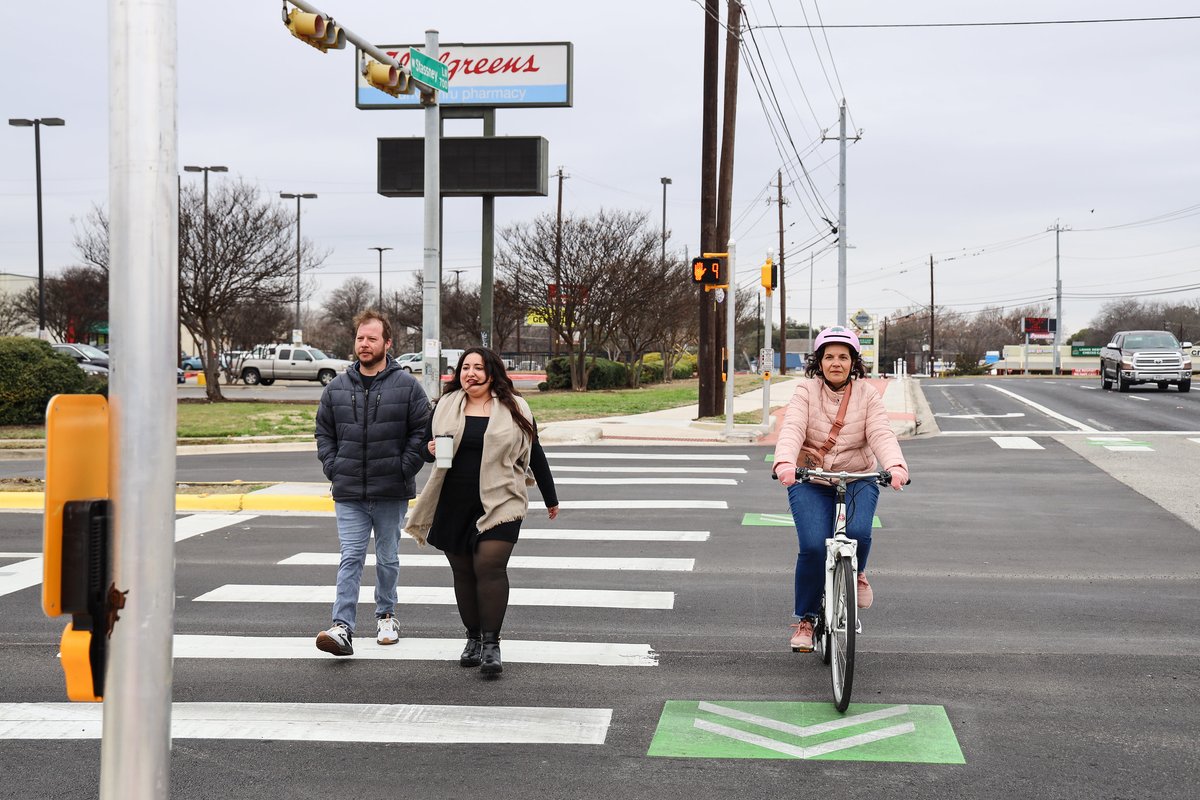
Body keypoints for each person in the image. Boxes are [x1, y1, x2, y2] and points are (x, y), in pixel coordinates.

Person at [404, 347, 559, 677]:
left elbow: (535, 451)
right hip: (453, 501)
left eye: (478, 367)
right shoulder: (445, 406)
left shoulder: (515, 408)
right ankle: (473, 639)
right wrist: (427, 449)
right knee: (463, 573)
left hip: (502, 499)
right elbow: (424, 449)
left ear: (492, 373)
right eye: (465, 367)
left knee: (489, 567)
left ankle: (491, 645)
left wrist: (550, 497)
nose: (470, 373)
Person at [772, 325, 909, 653]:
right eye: (829, 356)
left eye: (843, 357)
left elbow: (881, 432)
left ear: (853, 362)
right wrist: (785, 462)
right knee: (813, 546)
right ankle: (806, 619)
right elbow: (792, 428)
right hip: (812, 478)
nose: (836, 363)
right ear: (819, 362)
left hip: (858, 476)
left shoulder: (867, 394)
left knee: (859, 532)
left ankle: (856, 573)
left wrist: (895, 466)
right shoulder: (806, 391)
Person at [313, 310, 430, 656]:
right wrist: (333, 467)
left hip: (391, 490)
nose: (364, 344)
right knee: (350, 557)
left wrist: (403, 468)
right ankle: (342, 627)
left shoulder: (407, 386)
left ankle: (386, 616)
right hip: (349, 490)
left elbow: (421, 432)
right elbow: (324, 432)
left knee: (387, 557)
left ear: (387, 343)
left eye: (372, 338)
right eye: (360, 338)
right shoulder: (336, 388)